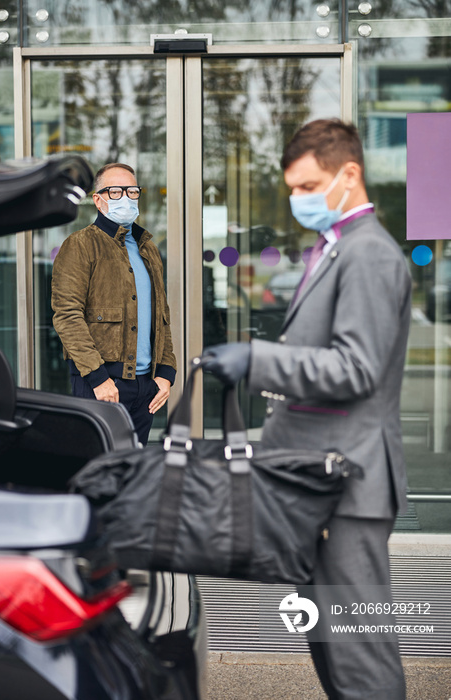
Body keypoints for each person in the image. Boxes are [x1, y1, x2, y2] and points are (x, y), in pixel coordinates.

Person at [203, 119, 411, 699]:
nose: (298, 200)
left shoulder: (368, 254)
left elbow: (356, 369)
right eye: (292, 189)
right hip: (320, 476)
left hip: (349, 482)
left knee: (359, 658)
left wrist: (258, 359)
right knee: (331, 648)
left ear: (351, 174)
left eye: (308, 186)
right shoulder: (336, 249)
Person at [51, 162, 176, 445]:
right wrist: (98, 378)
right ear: (98, 199)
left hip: (146, 386)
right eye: (116, 191)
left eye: (132, 192)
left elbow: (161, 314)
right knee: (99, 470)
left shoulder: (148, 247)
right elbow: (67, 316)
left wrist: (166, 373)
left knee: (133, 471)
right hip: (102, 383)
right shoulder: (80, 245)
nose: (126, 198)